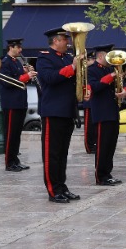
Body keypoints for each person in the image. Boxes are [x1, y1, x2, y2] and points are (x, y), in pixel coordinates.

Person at [35, 25, 81, 203]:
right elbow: (50, 78)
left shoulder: (67, 57)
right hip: (53, 111)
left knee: (62, 153)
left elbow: (74, 81)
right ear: (55, 41)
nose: (68, 42)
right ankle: (53, 190)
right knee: (51, 154)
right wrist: (72, 67)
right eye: (65, 39)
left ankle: (62, 186)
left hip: (67, 110)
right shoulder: (44, 58)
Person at [86, 45, 126, 185]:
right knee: (102, 146)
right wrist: (111, 76)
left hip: (113, 111)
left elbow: (125, 83)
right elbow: (94, 87)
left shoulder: (110, 69)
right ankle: (101, 176)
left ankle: (107, 173)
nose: (112, 59)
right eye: (109, 56)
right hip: (101, 112)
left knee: (110, 145)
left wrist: (124, 91)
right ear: (101, 56)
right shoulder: (91, 70)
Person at [0, 38, 33, 172]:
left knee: (17, 133)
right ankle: (9, 162)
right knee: (11, 134)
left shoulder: (16, 61)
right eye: (18, 47)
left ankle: (15, 160)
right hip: (11, 103)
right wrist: (26, 76)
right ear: (11, 47)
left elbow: (21, 81)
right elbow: (7, 82)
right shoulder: (5, 62)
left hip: (20, 102)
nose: (20, 50)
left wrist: (27, 73)